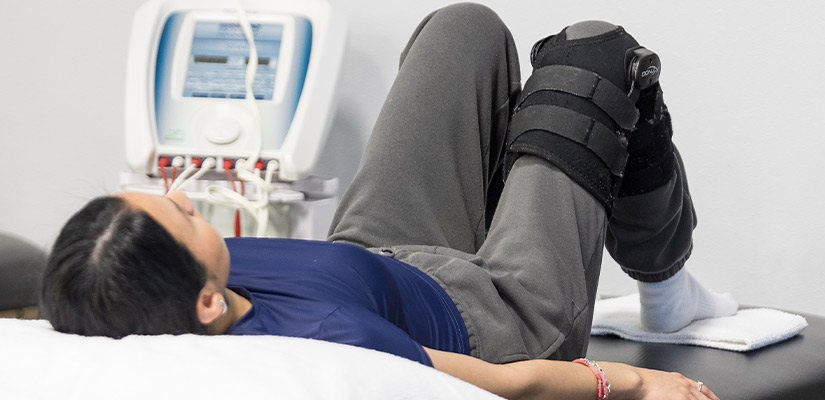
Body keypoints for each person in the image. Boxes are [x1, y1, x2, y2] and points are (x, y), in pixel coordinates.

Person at [40, 3, 737, 399]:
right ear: (207, 305)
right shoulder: (327, 347)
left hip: (373, 254)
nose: (182, 198)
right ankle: (666, 291)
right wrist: (637, 386)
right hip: (498, 313)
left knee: (462, 28)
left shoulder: (141, 281)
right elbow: (509, 381)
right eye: (184, 215)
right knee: (592, 57)